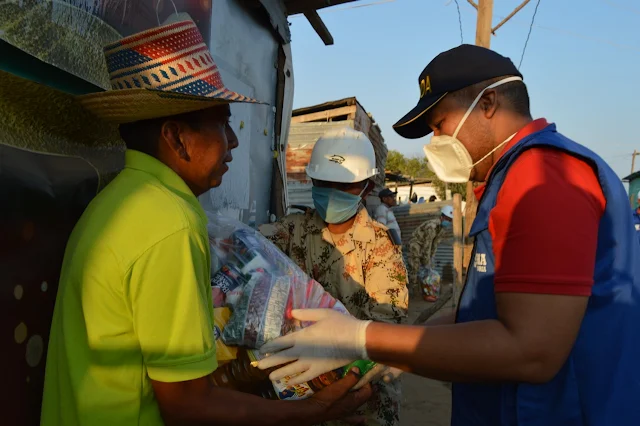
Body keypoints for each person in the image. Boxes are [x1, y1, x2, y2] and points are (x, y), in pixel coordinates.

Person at [257, 44, 640, 425]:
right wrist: (392, 349)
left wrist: (360, 338)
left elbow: (531, 350)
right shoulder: (512, 178)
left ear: (488, 103)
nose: (435, 141)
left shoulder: (543, 176)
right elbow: (487, 309)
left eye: (440, 124)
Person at [41, 21, 370, 426]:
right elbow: (187, 406)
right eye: (222, 122)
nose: (233, 140)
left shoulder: (117, 200)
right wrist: (313, 411)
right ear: (177, 137)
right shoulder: (170, 224)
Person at [259, 126, 409, 426]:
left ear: (366, 187)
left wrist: (342, 385)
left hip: (360, 403)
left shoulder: (380, 248)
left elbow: (388, 335)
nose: (332, 193)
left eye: (345, 186)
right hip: (299, 397)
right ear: (311, 180)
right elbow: (247, 249)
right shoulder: (293, 231)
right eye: (324, 183)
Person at [407, 206, 453, 301]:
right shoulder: (432, 226)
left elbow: (434, 244)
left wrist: (431, 259)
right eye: (448, 219)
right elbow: (427, 245)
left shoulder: (442, 228)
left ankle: (426, 291)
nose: (449, 222)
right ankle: (413, 292)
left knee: (428, 271)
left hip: (424, 245)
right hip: (416, 244)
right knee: (414, 267)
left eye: (450, 220)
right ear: (442, 217)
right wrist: (427, 261)